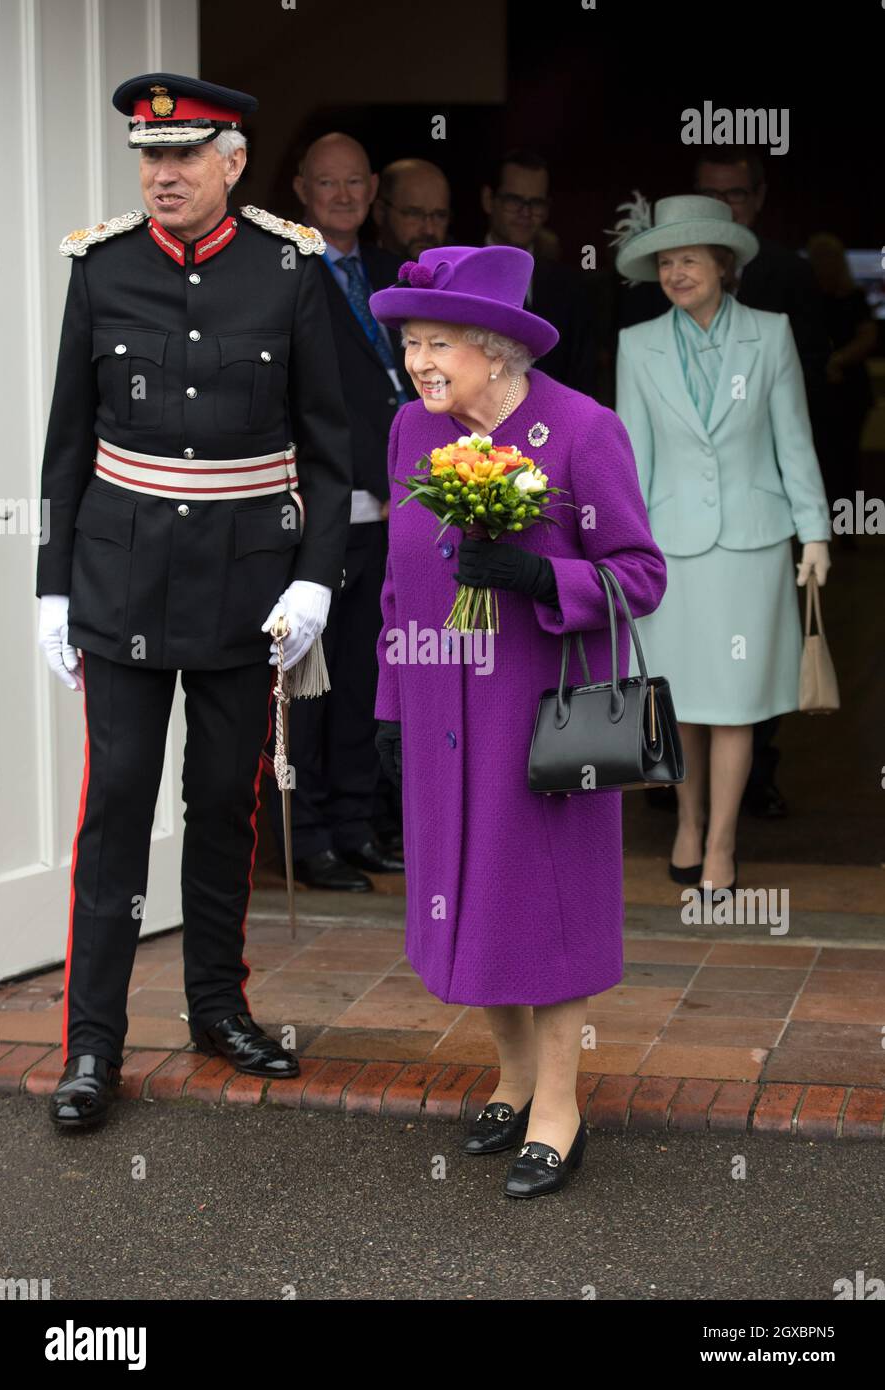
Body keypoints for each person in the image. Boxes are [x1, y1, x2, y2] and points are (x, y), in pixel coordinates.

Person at [35, 72, 352, 1129]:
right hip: (119, 574)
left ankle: (217, 1006)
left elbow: (330, 447)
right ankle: (92, 1044)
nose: (161, 173)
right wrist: (49, 588)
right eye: (148, 156)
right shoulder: (103, 265)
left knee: (222, 801)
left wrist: (313, 573)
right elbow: (67, 448)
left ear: (232, 163)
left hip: (244, 581)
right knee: (117, 805)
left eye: (183, 155)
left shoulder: (288, 268)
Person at [368, 246, 666, 1198]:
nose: (419, 360)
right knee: (465, 898)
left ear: (496, 352)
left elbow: (641, 576)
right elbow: (392, 585)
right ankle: (513, 1073)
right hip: (435, 706)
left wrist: (547, 578)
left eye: (438, 342)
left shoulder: (582, 432)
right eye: (410, 341)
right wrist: (387, 702)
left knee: (543, 905)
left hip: (533, 720)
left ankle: (560, 1107)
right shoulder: (412, 429)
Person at [613, 196, 831, 892]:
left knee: (735, 704)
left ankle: (722, 845)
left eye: (689, 259)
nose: (676, 273)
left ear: (723, 264)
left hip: (752, 544)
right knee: (676, 701)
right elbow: (632, 460)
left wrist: (817, 533)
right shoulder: (637, 344)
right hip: (669, 549)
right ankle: (686, 821)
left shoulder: (771, 335)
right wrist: (623, 548)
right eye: (666, 262)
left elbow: (794, 442)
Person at [270, 133, 414, 890]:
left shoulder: (394, 273)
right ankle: (311, 836)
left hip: (398, 511)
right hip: (322, 510)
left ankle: (358, 824)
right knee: (310, 685)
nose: (343, 195)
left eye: (356, 182)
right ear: (301, 188)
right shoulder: (280, 272)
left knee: (369, 675)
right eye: (328, 184)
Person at [481, 149, 596, 396]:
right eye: (514, 201)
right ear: (489, 200)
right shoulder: (457, 273)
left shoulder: (572, 288)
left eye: (536, 203)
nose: (526, 213)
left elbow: (583, 380)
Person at [806, 233, 877, 518]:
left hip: (850, 390)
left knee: (848, 459)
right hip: (816, 389)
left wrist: (838, 361)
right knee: (818, 458)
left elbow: (867, 337)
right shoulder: (807, 298)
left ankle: (850, 524)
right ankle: (817, 523)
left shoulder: (855, 298)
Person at [372, 158, 452, 262]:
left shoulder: (460, 267)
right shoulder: (357, 268)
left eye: (440, 215)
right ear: (380, 212)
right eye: (414, 214)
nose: (429, 230)